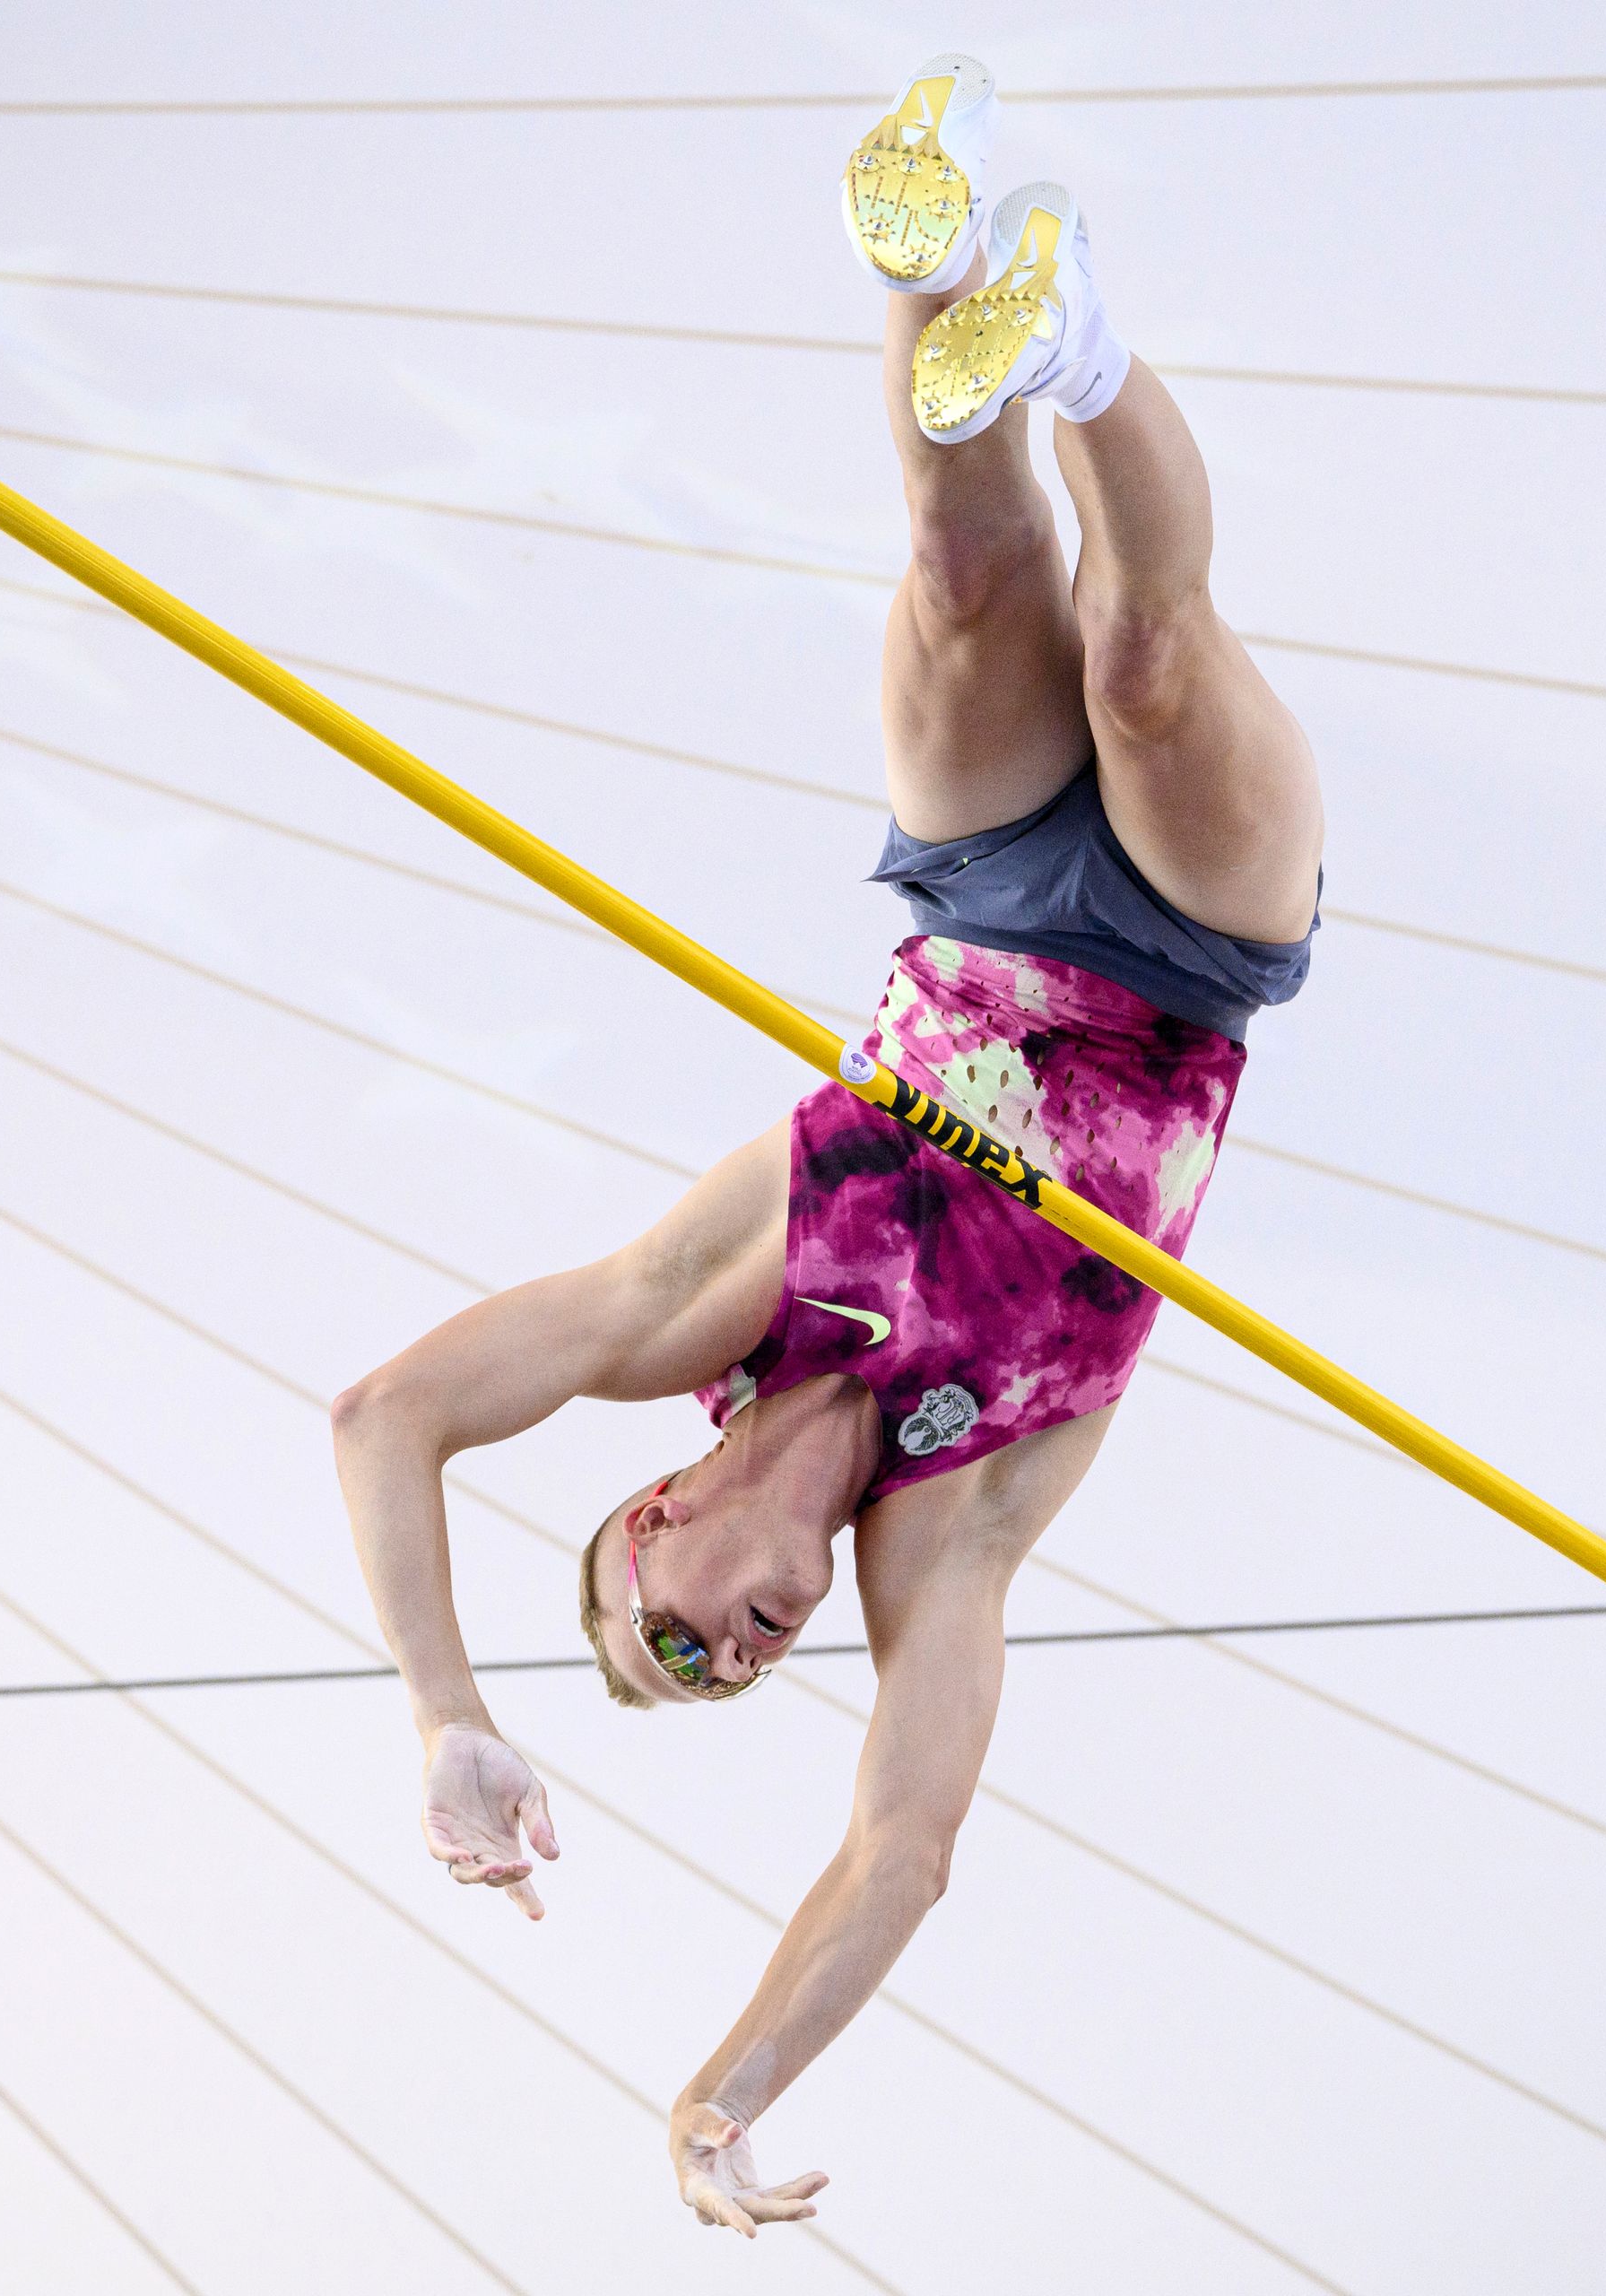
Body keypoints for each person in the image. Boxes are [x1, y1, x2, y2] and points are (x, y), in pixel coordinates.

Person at [329, 53, 1324, 2238]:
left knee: (976, 581)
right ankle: (1071, 339)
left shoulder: (698, 1302)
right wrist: (714, 2092)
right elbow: (903, 1849)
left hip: (973, 898)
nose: (730, 1658)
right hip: (1187, 962)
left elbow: (388, 1409)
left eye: (672, 1637)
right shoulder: (946, 1533)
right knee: (1146, 662)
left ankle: (939, 236)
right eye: (723, 1677)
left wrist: (443, 1714)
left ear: (658, 1509)